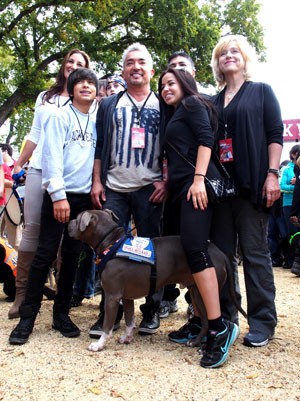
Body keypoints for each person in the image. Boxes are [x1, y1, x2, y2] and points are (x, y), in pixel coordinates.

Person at [8, 67, 98, 345]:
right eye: (79, 82)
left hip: (84, 196)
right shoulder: (59, 116)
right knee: (45, 252)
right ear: (70, 88)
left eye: (90, 83)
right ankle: (28, 316)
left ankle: (61, 313)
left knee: (73, 255)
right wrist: (58, 195)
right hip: (59, 194)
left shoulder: (98, 119)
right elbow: (51, 156)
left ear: (97, 90)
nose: (85, 86)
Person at [158, 67, 239, 368]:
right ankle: (202, 322)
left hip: (197, 186)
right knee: (190, 251)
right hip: (181, 190)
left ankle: (220, 327)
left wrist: (197, 179)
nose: (166, 88)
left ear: (185, 83)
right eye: (162, 85)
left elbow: (207, 140)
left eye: (171, 83)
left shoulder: (193, 104)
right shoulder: (177, 112)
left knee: (195, 249)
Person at [209, 34, 283, 347]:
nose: (229, 55)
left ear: (245, 57)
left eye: (235, 51)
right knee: (223, 257)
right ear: (217, 62)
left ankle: (263, 321)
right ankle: (228, 317)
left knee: (255, 254)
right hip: (221, 191)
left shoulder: (261, 92)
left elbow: (275, 133)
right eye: (223, 52)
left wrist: (272, 174)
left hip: (253, 185)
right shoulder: (212, 100)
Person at [90, 42, 167, 339]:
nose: (136, 66)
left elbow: (172, 146)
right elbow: (99, 146)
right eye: (130, 62)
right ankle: (108, 312)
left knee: (153, 251)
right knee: (109, 251)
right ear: (123, 70)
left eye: (141, 62)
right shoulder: (109, 104)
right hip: (115, 188)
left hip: (150, 188)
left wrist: (166, 179)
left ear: (151, 70)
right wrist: (97, 181)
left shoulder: (164, 103)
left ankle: (151, 311)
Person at [279, 146, 300, 268]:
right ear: (292, 154)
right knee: (291, 233)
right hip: (288, 204)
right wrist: (295, 186)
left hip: (297, 203)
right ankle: (291, 260)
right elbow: (282, 187)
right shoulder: (287, 169)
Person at [0, 144, 23, 251]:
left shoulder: (18, 166)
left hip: (13, 205)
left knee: (15, 239)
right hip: (2, 203)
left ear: (4, 151)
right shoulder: (3, 166)